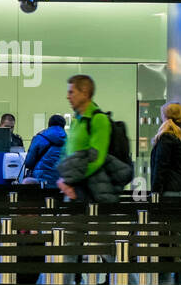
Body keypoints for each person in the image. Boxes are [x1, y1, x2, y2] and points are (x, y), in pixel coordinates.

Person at [56, 74, 130, 203]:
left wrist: (68, 180)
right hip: (75, 188)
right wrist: (64, 179)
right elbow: (66, 153)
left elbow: (96, 159)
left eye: (71, 92)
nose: (68, 96)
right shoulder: (76, 120)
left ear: (84, 93)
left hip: (93, 192)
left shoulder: (98, 119)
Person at [150, 102, 181, 285]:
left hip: (169, 193)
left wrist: (155, 193)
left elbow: (161, 168)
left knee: (165, 236)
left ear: (164, 116)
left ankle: (165, 276)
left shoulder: (166, 137)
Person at [21, 115, 66, 187]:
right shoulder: (69, 141)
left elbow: (29, 163)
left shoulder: (40, 137)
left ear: (49, 125)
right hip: (61, 182)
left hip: (41, 180)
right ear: (63, 126)